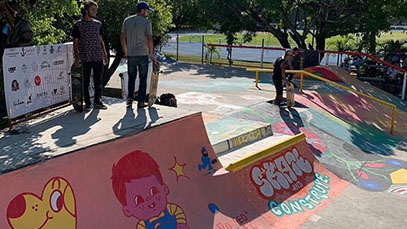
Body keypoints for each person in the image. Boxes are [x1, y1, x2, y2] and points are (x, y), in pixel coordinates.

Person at [111, 150, 189, 229]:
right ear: (127, 210)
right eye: (139, 200)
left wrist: (181, 223)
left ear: (164, 189)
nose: (149, 200)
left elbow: (179, 214)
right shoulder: (142, 225)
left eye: (154, 192)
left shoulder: (171, 209)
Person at [72, 0, 108, 110]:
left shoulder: (98, 24)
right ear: (86, 10)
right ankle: (87, 103)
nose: (95, 12)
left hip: (97, 56)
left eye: (96, 10)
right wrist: (77, 56)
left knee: (98, 81)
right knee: (86, 81)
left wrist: (105, 54)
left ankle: (98, 101)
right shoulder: (78, 25)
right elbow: (75, 41)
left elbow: (101, 40)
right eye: (93, 10)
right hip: (85, 57)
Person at [121, 1, 157, 109]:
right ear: (142, 11)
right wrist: (151, 54)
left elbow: (122, 36)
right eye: (147, 11)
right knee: (143, 78)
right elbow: (149, 38)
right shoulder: (146, 23)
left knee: (131, 77)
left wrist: (125, 50)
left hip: (131, 54)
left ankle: (130, 99)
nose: (148, 13)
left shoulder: (127, 21)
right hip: (143, 54)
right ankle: (141, 101)